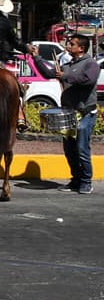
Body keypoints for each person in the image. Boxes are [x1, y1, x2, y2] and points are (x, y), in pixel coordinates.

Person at [51, 34, 100, 193]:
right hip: (69, 114)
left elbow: (88, 80)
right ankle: (75, 180)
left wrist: (66, 76)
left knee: (81, 148)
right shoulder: (68, 65)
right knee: (69, 149)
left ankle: (86, 181)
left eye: (72, 44)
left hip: (85, 113)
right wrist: (36, 57)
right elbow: (50, 72)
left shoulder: (90, 64)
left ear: (81, 48)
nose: (68, 46)